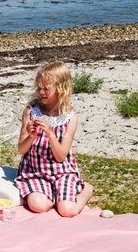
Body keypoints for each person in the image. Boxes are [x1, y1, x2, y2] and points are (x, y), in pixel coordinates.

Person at [14, 61, 94, 217]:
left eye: (46, 88)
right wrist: (31, 137)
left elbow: (61, 156)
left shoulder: (70, 118)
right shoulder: (31, 112)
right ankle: (52, 195)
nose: (41, 92)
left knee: (67, 210)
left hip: (62, 172)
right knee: (38, 205)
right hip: (35, 172)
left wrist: (50, 134)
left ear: (61, 88)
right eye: (39, 87)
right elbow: (21, 149)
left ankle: (87, 190)